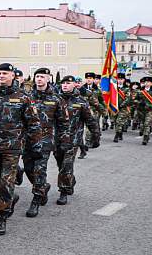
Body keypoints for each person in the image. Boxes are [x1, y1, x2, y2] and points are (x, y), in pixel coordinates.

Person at [0, 63, 44, 235]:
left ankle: (2, 216)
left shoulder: (23, 97)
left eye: (5, 73)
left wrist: (35, 145)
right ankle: (11, 198)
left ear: (13, 76)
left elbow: (33, 124)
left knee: (6, 181)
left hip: (12, 147)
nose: (1, 76)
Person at [24, 68, 71, 218]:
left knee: (39, 170)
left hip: (45, 140)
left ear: (48, 79)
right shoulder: (27, 97)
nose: (39, 79)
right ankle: (42, 187)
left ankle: (36, 199)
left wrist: (64, 140)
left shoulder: (56, 99)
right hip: (27, 140)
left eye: (42, 77)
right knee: (28, 169)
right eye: (37, 76)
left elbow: (64, 122)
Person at [57, 76, 100, 204]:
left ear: (74, 85)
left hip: (73, 139)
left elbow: (90, 120)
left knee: (66, 166)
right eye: (63, 83)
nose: (65, 85)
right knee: (61, 165)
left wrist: (96, 136)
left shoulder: (81, 101)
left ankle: (63, 191)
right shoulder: (55, 99)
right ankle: (69, 180)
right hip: (57, 139)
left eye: (68, 83)